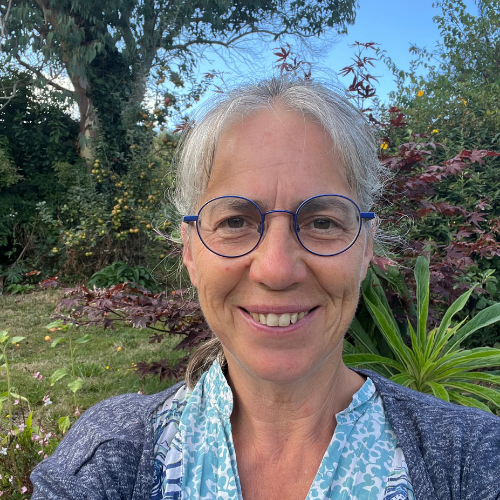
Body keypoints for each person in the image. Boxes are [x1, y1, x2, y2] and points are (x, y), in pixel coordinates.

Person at [31, 76, 500, 500]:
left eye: (322, 222)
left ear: (364, 249)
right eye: (235, 221)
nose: (276, 270)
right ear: (190, 250)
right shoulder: (110, 456)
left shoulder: (469, 457)